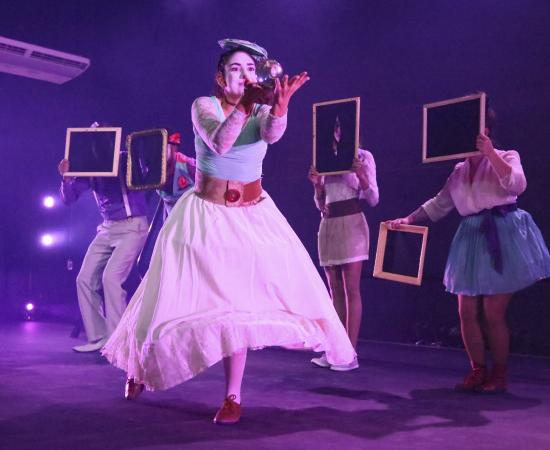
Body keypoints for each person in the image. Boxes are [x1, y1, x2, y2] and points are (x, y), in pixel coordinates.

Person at [102, 39, 356, 424]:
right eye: (236, 68)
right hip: (204, 214)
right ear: (221, 78)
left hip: (251, 214)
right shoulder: (203, 106)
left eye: (250, 69)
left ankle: (233, 396)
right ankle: (138, 368)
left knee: (237, 307)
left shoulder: (261, 108)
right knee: (168, 299)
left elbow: (272, 133)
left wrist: (281, 107)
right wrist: (246, 105)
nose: (244, 74)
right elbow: (220, 143)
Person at [387, 126, 550, 393]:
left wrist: (490, 154)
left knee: (493, 313)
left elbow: (517, 184)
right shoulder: (459, 171)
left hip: (503, 234)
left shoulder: (507, 155)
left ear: (485, 130)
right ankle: (478, 370)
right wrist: (409, 219)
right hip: (471, 237)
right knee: (466, 312)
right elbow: (440, 203)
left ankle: (499, 374)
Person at [59, 125, 149, 352]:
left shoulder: (125, 159)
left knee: (111, 278)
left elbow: (145, 174)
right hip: (107, 228)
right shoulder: (90, 166)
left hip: (132, 226)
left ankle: (120, 343)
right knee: (84, 279)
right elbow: (69, 199)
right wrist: (66, 178)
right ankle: (99, 337)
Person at [308, 148, 379, 371]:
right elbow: (320, 204)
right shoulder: (324, 156)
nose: (337, 134)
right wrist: (317, 185)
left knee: (351, 289)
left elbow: (374, 198)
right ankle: (336, 350)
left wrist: (361, 175)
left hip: (352, 224)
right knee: (334, 290)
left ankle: (350, 353)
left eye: (340, 130)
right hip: (329, 224)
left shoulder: (363, 157)